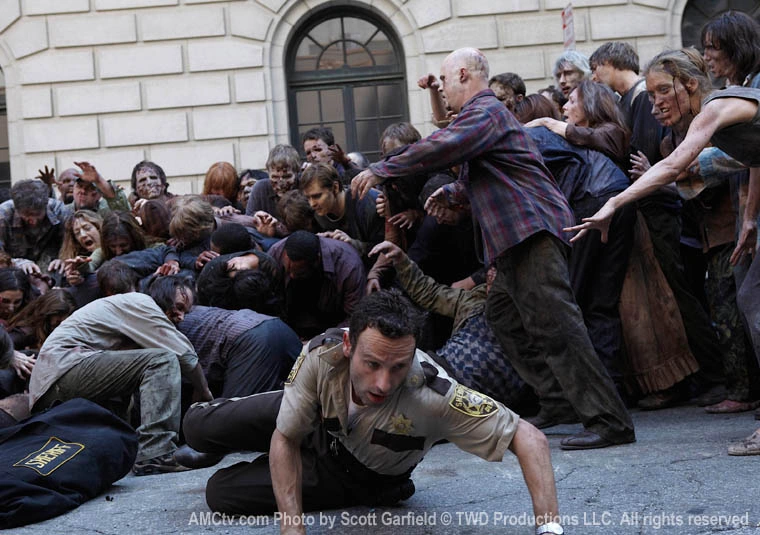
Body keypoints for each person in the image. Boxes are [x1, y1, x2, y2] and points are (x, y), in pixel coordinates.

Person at [352, 47, 635, 450]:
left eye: (445, 80)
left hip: (530, 232)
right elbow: (490, 171)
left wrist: (381, 167)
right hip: (511, 240)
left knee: (559, 324)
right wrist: (453, 192)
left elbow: (443, 144)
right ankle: (557, 399)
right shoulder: (481, 118)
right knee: (503, 316)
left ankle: (609, 419)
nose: (443, 88)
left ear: (463, 75)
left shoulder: (485, 112)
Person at [182, 290, 565, 535]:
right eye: (372, 364)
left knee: (221, 492)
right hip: (318, 416)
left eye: (398, 367)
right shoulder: (323, 353)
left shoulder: (435, 395)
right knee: (196, 425)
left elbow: (529, 438)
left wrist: (549, 529)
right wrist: (292, 529)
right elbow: (286, 435)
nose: (383, 383)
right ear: (349, 345)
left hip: (354, 471)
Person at [561, 53, 760, 455]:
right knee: (750, 298)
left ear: (690, 84)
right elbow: (755, 159)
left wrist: (614, 202)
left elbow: (671, 167)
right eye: (651, 95)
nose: (656, 104)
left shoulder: (714, 108)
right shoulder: (718, 115)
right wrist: (751, 218)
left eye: (663, 91)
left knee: (753, 302)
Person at [29, 275, 213, 475]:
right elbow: (185, 355)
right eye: (178, 307)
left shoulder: (131, 316)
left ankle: (121, 455)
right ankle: (156, 453)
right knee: (163, 360)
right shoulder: (141, 302)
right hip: (63, 370)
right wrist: (204, 392)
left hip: (51, 385)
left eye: (185, 312)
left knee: (127, 391)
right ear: (164, 295)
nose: (180, 317)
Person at [267, 230, 366, 339]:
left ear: (317, 260)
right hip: (288, 320)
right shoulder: (276, 252)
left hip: (330, 324)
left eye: (300, 273)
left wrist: (321, 341)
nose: (292, 276)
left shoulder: (348, 266)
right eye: (287, 270)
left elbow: (354, 318)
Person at [299, 163, 384, 260]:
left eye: (317, 196)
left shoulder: (368, 204)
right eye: (308, 198)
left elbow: (385, 251)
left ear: (335, 188)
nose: (312, 204)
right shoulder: (318, 212)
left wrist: (352, 244)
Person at [0, 179, 71, 276]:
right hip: (11, 270)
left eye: (37, 214)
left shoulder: (59, 211)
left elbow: (72, 245)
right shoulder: (3, 215)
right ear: (17, 209)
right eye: (26, 215)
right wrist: (18, 263)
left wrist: (63, 259)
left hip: (50, 267)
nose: (33, 220)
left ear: (45, 206)